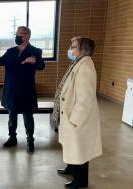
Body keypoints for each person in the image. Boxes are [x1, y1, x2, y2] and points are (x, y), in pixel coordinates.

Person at [0, 26, 45, 153]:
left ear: (27, 36)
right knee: (12, 115)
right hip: (12, 88)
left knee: (27, 116)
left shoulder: (35, 51)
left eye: (20, 34)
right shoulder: (10, 51)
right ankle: (12, 137)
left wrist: (34, 61)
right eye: (16, 34)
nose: (17, 37)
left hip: (26, 89)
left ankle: (30, 140)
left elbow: (41, 66)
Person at [51, 37, 102, 189]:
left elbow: (85, 99)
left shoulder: (85, 67)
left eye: (73, 46)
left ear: (83, 49)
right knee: (70, 145)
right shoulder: (78, 63)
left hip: (78, 119)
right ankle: (71, 169)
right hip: (69, 115)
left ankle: (80, 181)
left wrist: (75, 120)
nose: (70, 49)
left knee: (80, 150)